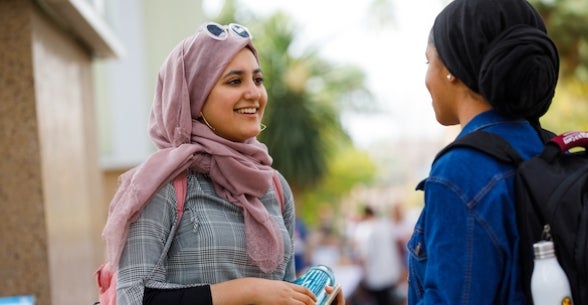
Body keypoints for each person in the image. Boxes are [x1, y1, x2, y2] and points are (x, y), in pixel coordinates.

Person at [98, 21, 344, 305]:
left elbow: (283, 289)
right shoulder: (163, 183)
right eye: (234, 81)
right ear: (195, 96)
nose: (253, 93)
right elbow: (134, 297)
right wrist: (247, 291)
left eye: (258, 79)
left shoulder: (272, 185)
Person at [407, 0, 559, 304]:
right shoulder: (546, 148)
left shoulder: (461, 169)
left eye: (428, 62)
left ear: (450, 69)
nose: (426, 78)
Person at [352, 206, 404, 305]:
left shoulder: (366, 229)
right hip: (389, 271)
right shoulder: (385, 226)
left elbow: (366, 253)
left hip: (376, 275)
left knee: (382, 300)